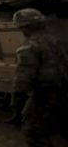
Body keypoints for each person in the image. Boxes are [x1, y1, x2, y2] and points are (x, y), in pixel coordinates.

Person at [11, 8, 68, 147]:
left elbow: (24, 79)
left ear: (25, 27)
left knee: (33, 131)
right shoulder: (55, 41)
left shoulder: (28, 47)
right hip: (63, 92)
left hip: (43, 96)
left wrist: (16, 99)